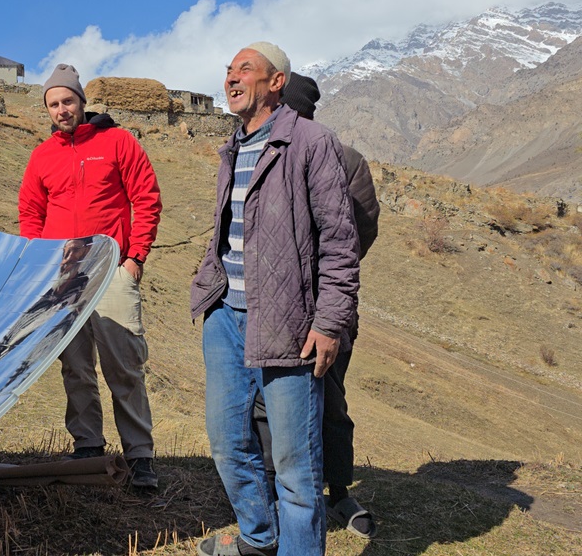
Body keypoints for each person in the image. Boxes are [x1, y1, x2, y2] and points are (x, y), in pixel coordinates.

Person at [191, 44, 360, 555]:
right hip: (226, 316)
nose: (231, 78)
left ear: (276, 81)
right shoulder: (233, 147)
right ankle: (259, 540)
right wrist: (209, 286)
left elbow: (340, 240)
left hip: (289, 322)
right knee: (228, 444)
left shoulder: (311, 141)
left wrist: (329, 322)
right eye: (228, 70)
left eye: (245, 69)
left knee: (294, 464)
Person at [19, 63, 163, 489]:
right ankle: (87, 447)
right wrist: (41, 263)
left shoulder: (117, 141)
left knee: (124, 364)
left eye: (67, 101)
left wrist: (135, 257)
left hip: (112, 268)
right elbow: (30, 212)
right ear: (47, 109)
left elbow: (146, 197)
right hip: (64, 275)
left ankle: (139, 455)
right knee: (75, 365)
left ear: (82, 102)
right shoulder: (42, 156)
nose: (61, 110)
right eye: (53, 104)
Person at [250, 73, 380, 539]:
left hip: (328, 305)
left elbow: (357, 234)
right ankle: (277, 491)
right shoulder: (259, 152)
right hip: (272, 307)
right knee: (266, 402)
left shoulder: (346, 160)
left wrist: (311, 275)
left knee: (330, 400)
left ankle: (339, 492)